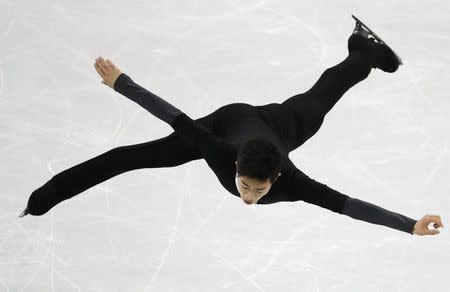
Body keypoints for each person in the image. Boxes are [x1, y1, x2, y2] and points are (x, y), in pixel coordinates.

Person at [20, 19, 443, 236]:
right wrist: (121, 83)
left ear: (277, 177)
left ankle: (363, 50)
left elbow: (350, 205)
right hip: (228, 121)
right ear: (237, 169)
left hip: (281, 127)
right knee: (133, 157)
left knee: (321, 99)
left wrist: (409, 225)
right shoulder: (218, 149)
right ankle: (49, 194)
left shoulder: (293, 182)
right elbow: (171, 115)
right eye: (246, 187)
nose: (249, 197)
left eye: (258, 191)